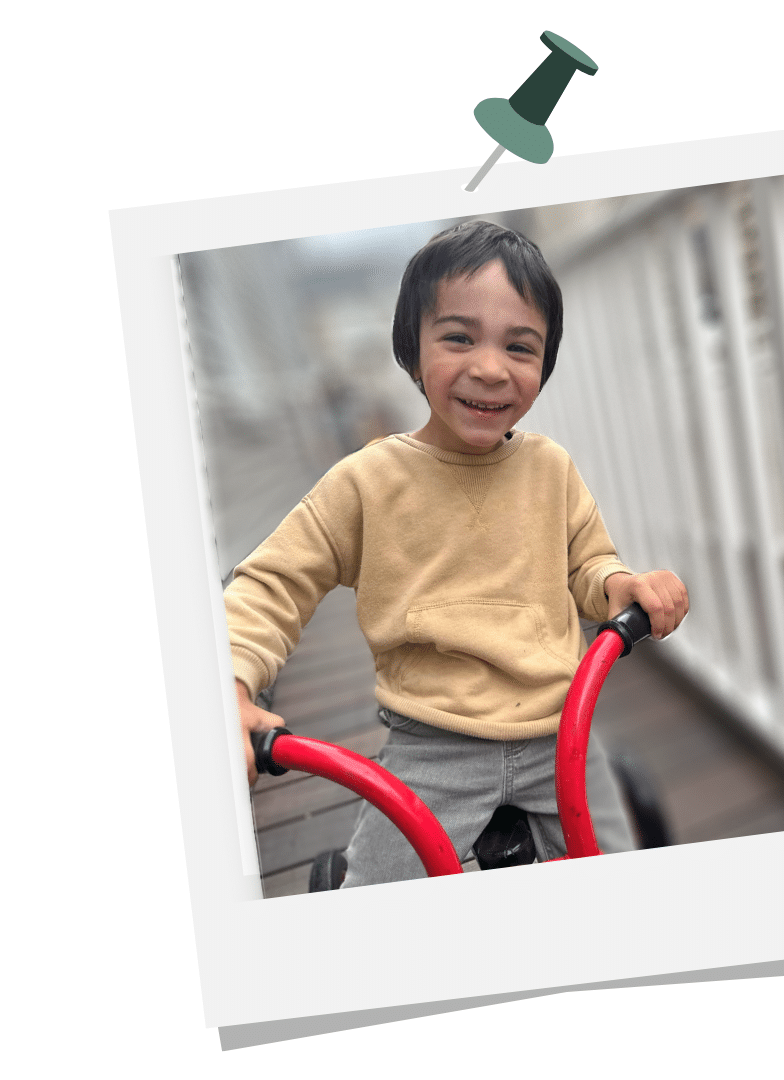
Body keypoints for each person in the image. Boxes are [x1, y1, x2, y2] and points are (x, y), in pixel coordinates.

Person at [227, 219, 689, 885]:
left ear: (543, 368)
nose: (490, 368)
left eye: (520, 347)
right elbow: (271, 585)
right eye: (458, 338)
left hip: (562, 734)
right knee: (372, 901)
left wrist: (619, 586)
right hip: (432, 746)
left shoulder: (550, 468)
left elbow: (588, 564)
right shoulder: (367, 484)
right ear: (411, 351)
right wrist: (233, 686)